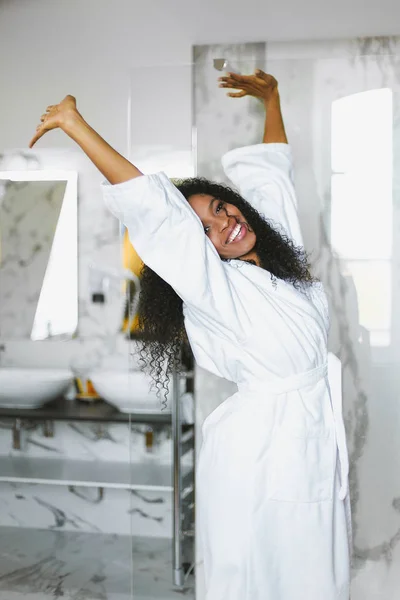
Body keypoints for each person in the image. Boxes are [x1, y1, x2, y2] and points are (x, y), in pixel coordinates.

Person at [30, 69, 351, 600]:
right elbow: (154, 212)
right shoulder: (214, 288)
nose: (225, 222)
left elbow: (273, 177)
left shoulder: (278, 263)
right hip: (265, 449)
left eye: (223, 207)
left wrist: (272, 99)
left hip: (306, 437)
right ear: (198, 249)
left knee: (309, 567)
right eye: (206, 227)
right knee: (264, 571)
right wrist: (74, 123)